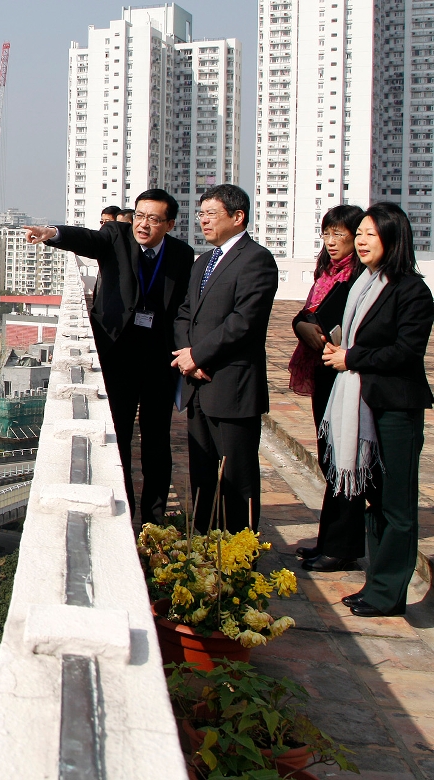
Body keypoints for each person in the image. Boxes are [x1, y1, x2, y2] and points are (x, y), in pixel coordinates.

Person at [24, 189, 194, 524]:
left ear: (170, 223)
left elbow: (185, 309)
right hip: (118, 354)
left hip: (159, 358)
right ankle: (125, 506)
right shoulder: (116, 236)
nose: (143, 224)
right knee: (119, 435)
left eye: (154, 219)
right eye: (140, 215)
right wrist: (52, 234)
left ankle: (154, 516)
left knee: (157, 440)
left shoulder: (181, 255)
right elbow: (86, 239)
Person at [321, 203, 434, 617]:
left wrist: (352, 358)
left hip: (395, 409)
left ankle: (388, 594)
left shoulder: (412, 291)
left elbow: (406, 353)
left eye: (370, 233)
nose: (362, 241)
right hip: (364, 403)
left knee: (397, 506)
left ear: (393, 237)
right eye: (361, 233)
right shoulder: (363, 283)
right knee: (375, 499)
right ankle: (377, 585)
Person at [172, 184, 278, 532]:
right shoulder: (203, 261)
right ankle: (203, 543)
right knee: (202, 475)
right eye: (201, 214)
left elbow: (243, 321)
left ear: (237, 216)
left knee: (237, 478)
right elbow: (186, 313)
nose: (203, 220)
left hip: (231, 385)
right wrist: (189, 357)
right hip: (197, 384)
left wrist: (198, 355)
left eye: (211, 214)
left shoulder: (256, 259)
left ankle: (240, 556)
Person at [290, 205, 368, 571]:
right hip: (325, 373)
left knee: (345, 460)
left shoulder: (359, 277)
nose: (333, 242)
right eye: (327, 234)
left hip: (347, 376)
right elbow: (311, 314)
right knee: (329, 460)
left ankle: (344, 546)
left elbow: (331, 320)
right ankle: (329, 540)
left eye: (341, 234)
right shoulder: (328, 273)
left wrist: (308, 322)